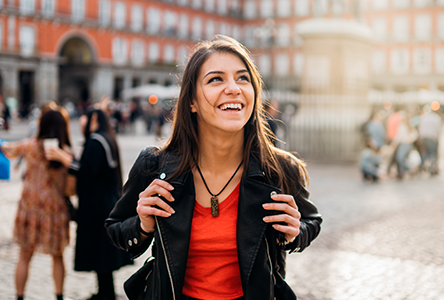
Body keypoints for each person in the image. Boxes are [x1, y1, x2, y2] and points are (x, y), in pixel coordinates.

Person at [105, 35, 322, 299]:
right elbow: (115, 226)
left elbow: (311, 221)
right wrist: (142, 225)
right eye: (216, 79)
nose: (233, 88)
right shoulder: (154, 165)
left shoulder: (280, 168)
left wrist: (294, 232)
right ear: (192, 101)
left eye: (243, 78)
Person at [45, 109, 133, 300]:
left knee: (100, 252)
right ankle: (104, 291)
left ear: (93, 118)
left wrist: (63, 158)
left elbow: (86, 171)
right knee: (102, 252)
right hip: (105, 203)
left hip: (98, 206)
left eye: (83, 117)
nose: (80, 121)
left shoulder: (96, 141)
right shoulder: (105, 137)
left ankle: (106, 294)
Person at [0, 110, 72, 300]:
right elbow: (71, 187)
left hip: (30, 207)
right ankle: (59, 295)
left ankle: (20, 296)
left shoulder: (30, 145)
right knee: (58, 255)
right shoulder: (65, 151)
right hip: (55, 209)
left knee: (24, 256)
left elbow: (6, 148)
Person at [393, 112, 418, 178]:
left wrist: (408, 139)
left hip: (406, 144)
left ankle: (410, 168)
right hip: (401, 143)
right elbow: (398, 135)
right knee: (399, 158)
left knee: (401, 158)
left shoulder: (409, 125)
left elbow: (415, 134)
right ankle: (401, 172)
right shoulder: (400, 125)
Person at [418, 106, 442, 175]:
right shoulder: (437, 118)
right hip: (432, 137)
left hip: (424, 137)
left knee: (425, 153)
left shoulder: (423, 117)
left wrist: (421, 137)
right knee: (432, 154)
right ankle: (432, 168)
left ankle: (421, 166)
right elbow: (438, 129)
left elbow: (420, 128)